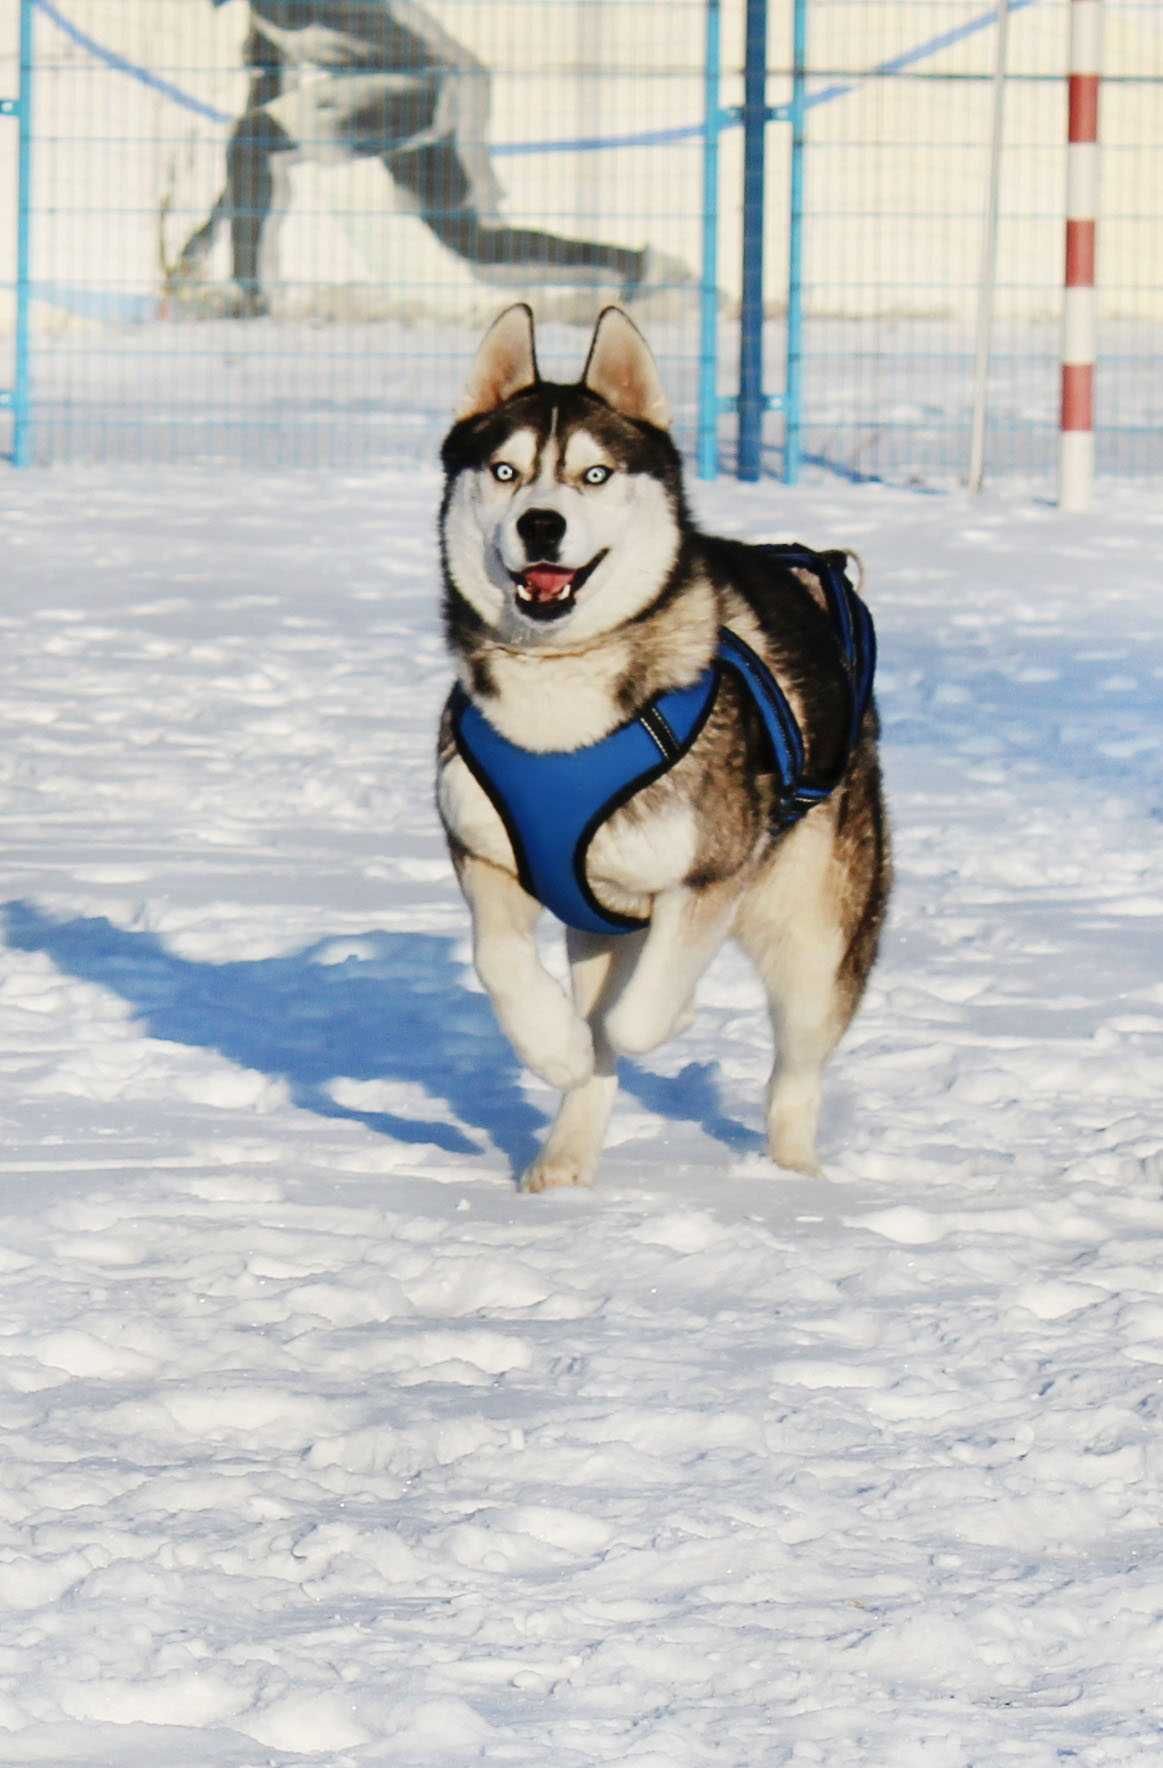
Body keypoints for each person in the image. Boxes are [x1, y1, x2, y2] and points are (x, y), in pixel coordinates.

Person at [178, 0, 689, 315]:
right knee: (477, 247)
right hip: (400, 95)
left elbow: (258, 138)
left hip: (429, 87)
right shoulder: (264, 17)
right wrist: (217, 222)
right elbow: (255, 140)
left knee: (258, 138)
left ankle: (251, 296)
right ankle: (640, 269)